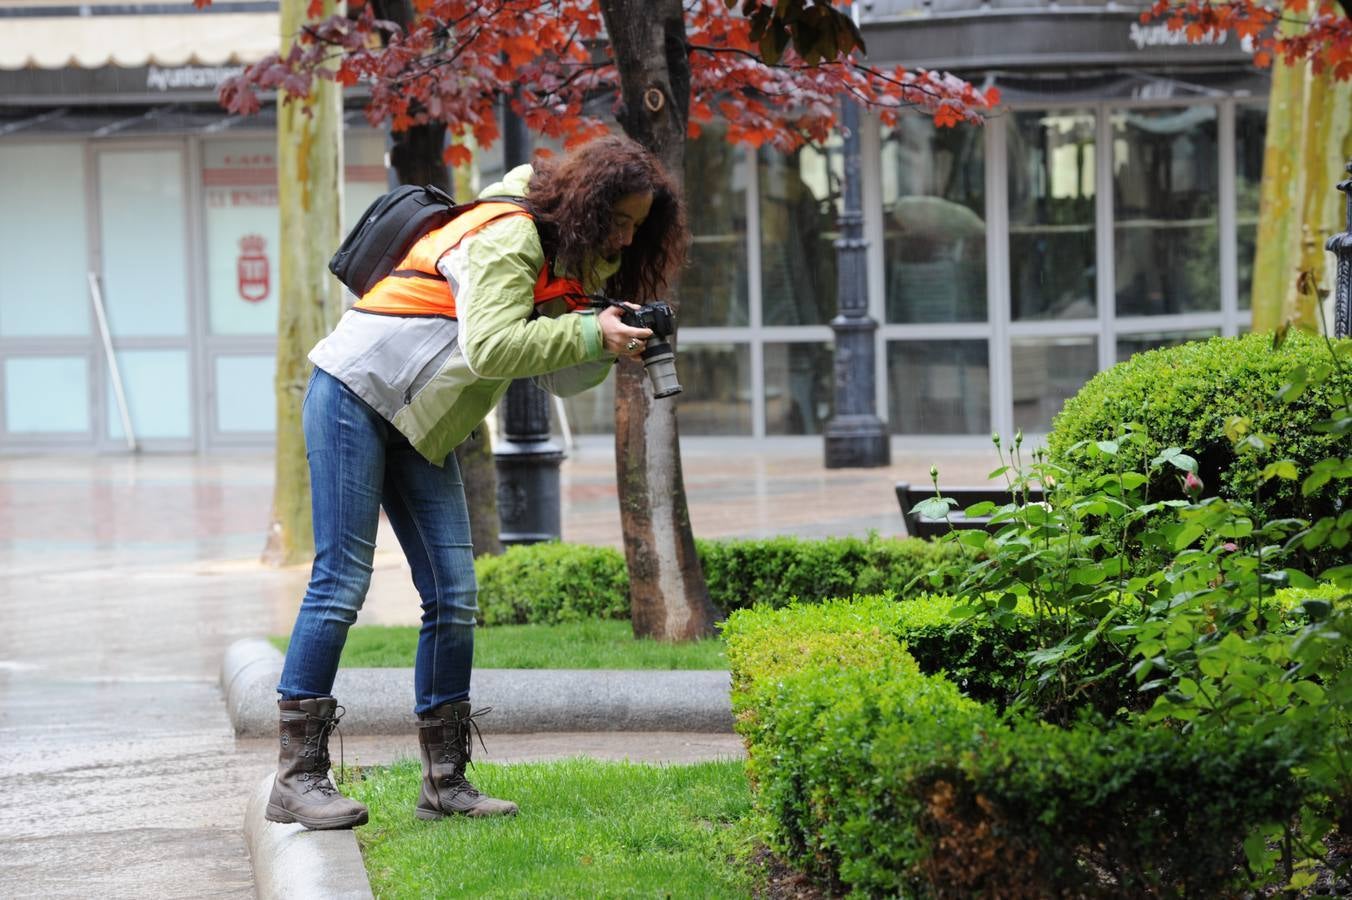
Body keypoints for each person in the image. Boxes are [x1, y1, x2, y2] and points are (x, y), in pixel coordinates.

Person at [264, 134, 689, 830]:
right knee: (342, 580)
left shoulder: (564, 263)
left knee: (455, 596)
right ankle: (298, 776)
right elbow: (490, 348)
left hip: (419, 420)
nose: (626, 234)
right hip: (356, 394)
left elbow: (554, 372)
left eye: (638, 226)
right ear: (587, 202)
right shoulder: (510, 236)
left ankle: (444, 782)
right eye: (619, 218)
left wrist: (609, 334)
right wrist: (589, 336)